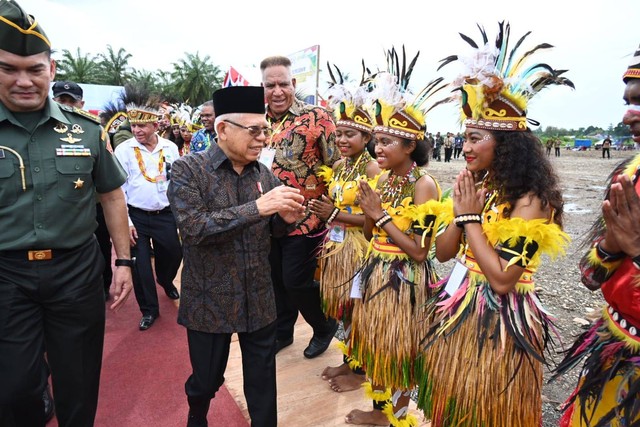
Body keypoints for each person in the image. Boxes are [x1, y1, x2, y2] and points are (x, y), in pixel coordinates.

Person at [417, 23, 573, 426]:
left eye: (476, 138)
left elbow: (504, 279)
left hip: (501, 320)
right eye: (464, 137)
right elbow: (443, 252)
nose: (465, 147)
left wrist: (469, 218)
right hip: (461, 303)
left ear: (505, 143)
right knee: (453, 398)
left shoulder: (532, 201)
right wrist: (460, 211)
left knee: (487, 407)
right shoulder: (478, 186)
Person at [0, 2, 133, 426]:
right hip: (6, 276)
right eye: (8, 68)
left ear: (51, 70)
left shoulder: (86, 130)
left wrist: (124, 261)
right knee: (15, 387)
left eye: (34, 69)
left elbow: (111, 196)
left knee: (78, 382)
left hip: (75, 272)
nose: (24, 80)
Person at [167, 86, 306, 427]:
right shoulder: (189, 170)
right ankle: (197, 412)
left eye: (265, 130)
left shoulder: (264, 174)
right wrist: (258, 208)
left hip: (258, 296)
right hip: (209, 300)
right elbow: (194, 227)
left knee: (262, 381)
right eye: (254, 131)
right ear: (223, 130)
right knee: (206, 379)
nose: (262, 139)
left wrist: (286, 221)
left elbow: (275, 231)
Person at [344, 52, 448, 427]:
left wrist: (380, 214)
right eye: (378, 141)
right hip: (375, 270)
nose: (379, 149)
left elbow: (420, 251)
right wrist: (370, 212)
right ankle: (379, 411)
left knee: (400, 351)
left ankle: (395, 418)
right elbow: (372, 234)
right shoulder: (384, 180)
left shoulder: (425, 185)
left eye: (388, 142)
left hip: (404, 279)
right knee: (375, 343)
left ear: (410, 147)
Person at [551, 43, 640, 427]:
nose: (627, 115)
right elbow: (590, 277)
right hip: (614, 346)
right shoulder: (630, 177)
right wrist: (610, 246)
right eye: (628, 101)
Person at [260, 55, 341, 359]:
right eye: (271, 85)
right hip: (266, 217)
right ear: (263, 87)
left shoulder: (318, 116)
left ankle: (323, 326)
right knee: (275, 279)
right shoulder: (256, 121)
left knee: (296, 280)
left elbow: (335, 165)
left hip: (306, 218)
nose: (277, 91)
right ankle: (283, 332)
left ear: (293, 84)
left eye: (283, 84)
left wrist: (333, 209)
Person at [308, 65, 381, 393]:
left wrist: (335, 212)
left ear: (366, 137)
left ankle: (361, 369)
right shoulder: (337, 165)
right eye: (338, 134)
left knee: (358, 308)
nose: (341, 139)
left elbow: (374, 217)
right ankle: (350, 360)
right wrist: (323, 211)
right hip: (335, 246)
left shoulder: (372, 167)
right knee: (343, 309)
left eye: (349, 134)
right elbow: (331, 207)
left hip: (360, 247)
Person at [113, 103, 183, 331]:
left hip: (166, 214)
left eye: (142, 125)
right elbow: (119, 190)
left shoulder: (170, 147)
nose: (137, 130)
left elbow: (178, 181)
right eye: (133, 125)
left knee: (173, 254)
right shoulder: (124, 150)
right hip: (137, 217)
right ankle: (149, 310)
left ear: (155, 125)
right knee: (140, 266)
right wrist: (128, 222)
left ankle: (165, 279)